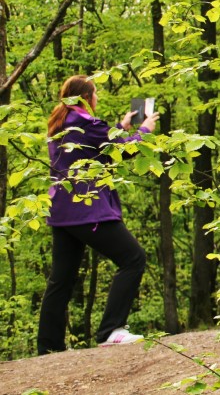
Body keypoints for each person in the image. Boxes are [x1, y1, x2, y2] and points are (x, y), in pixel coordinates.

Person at [37, 75, 159, 354]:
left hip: (62, 211)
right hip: (87, 209)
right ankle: (111, 330)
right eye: (95, 93)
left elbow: (96, 150)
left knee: (61, 279)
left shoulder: (61, 123)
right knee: (133, 258)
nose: (98, 98)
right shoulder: (85, 123)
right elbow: (122, 151)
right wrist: (144, 130)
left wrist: (121, 127)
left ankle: (48, 347)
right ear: (86, 97)